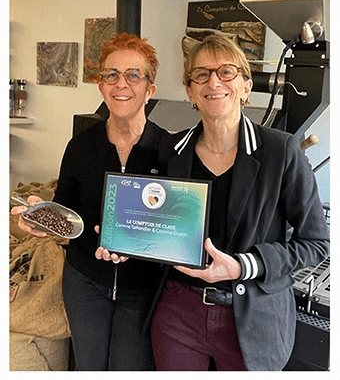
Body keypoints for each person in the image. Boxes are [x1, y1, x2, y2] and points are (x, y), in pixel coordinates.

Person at [149, 34, 330, 371]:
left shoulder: (282, 151)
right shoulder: (171, 150)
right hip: (178, 313)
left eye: (226, 72)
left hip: (253, 317)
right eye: (200, 74)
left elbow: (316, 244)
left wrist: (243, 266)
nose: (213, 81)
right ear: (190, 91)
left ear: (246, 86)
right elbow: (154, 220)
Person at [11, 33, 170, 371]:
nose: (120, 84)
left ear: (149, 89)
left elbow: (172, 225)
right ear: (100, 86)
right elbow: (65, 207)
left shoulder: (169, 150)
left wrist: (136, 244)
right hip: (85, 282)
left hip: (140, 288)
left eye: (133, 75)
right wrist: (42, 216)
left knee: (130, 368)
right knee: (88, 367)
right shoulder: (81, 146)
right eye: (110, 74)